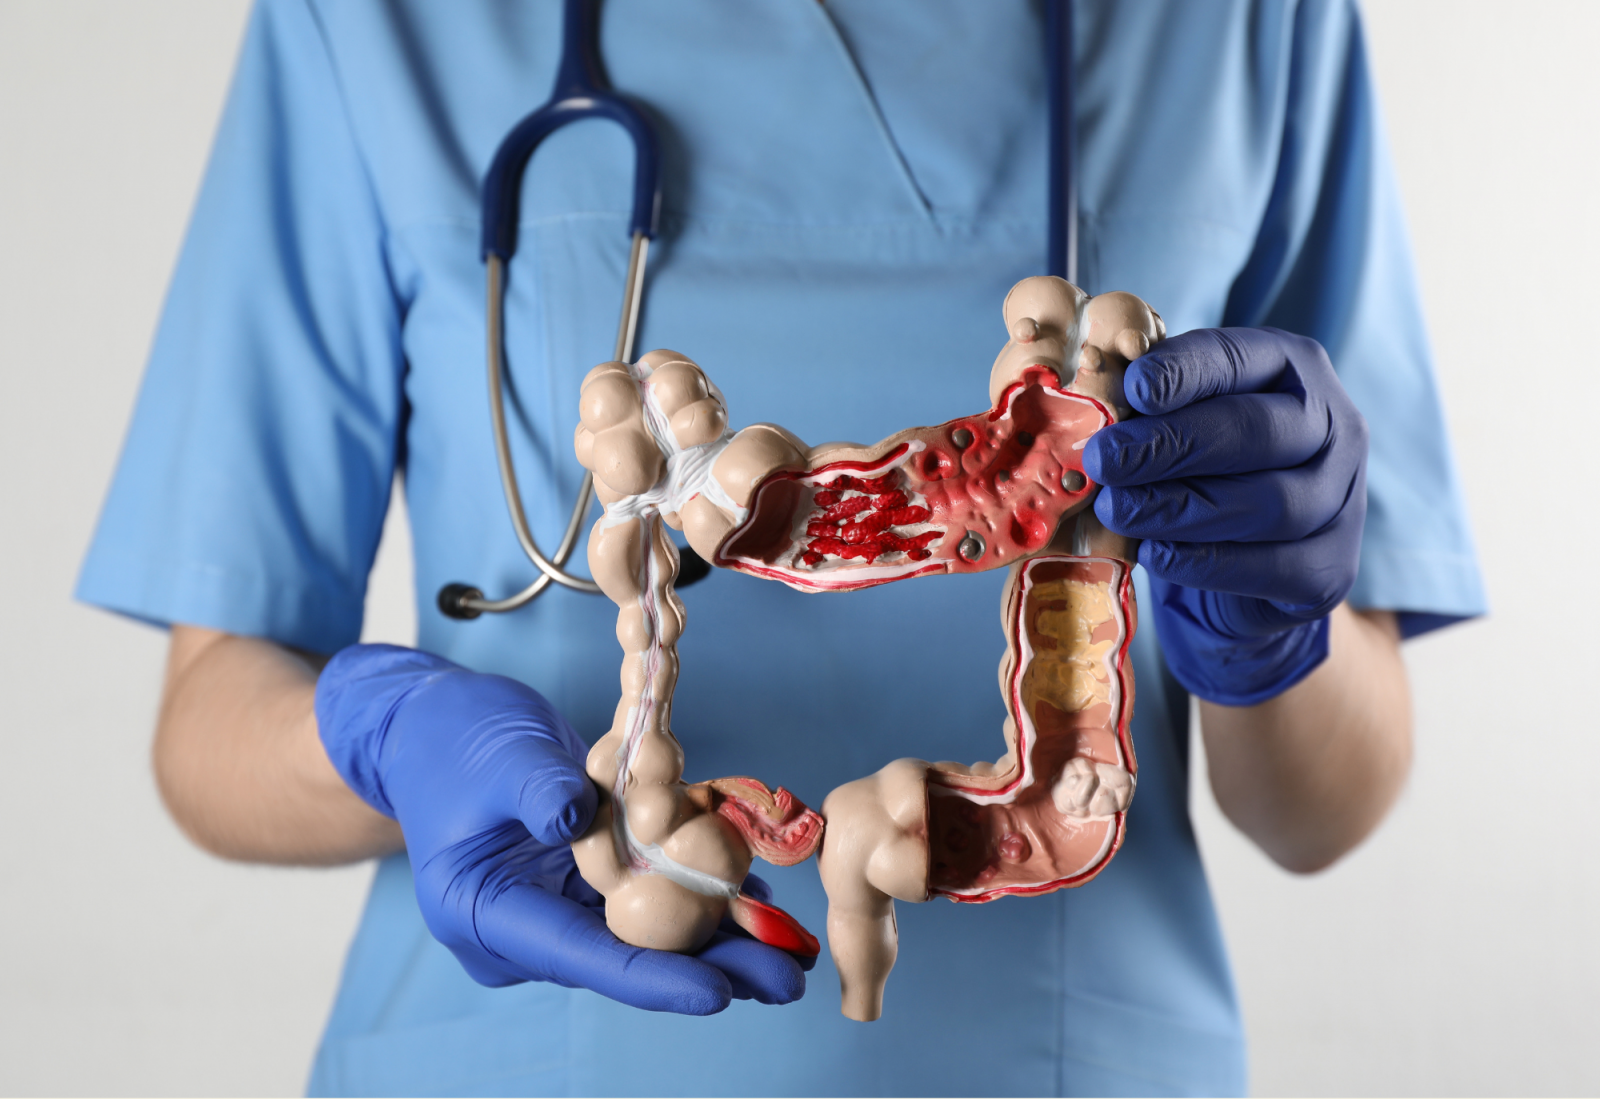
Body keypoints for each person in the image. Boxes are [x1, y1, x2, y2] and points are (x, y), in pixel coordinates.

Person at [78, 0, 1485, 1094]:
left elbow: (1328, 804)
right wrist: (386, 737)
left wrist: (1266, 632)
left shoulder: (1246, 24)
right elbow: (209, 725)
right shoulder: (380, 22)